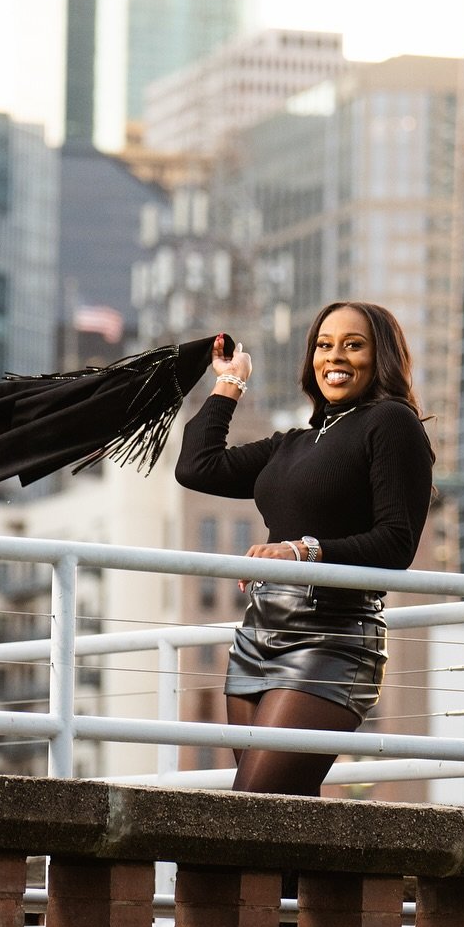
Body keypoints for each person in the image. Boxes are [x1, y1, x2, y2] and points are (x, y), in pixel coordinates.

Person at [174, 300, 435, 796]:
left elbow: (396, 543)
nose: (335, 357)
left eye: (353, 345)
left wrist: (301, 552)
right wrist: (230, 382)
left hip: (333, 638)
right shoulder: (294, 443)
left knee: (255, 804)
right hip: (258, 633)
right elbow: (196, 467)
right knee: (280, 811)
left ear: (380, 357)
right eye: (323, 345)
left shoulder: (392, 424)